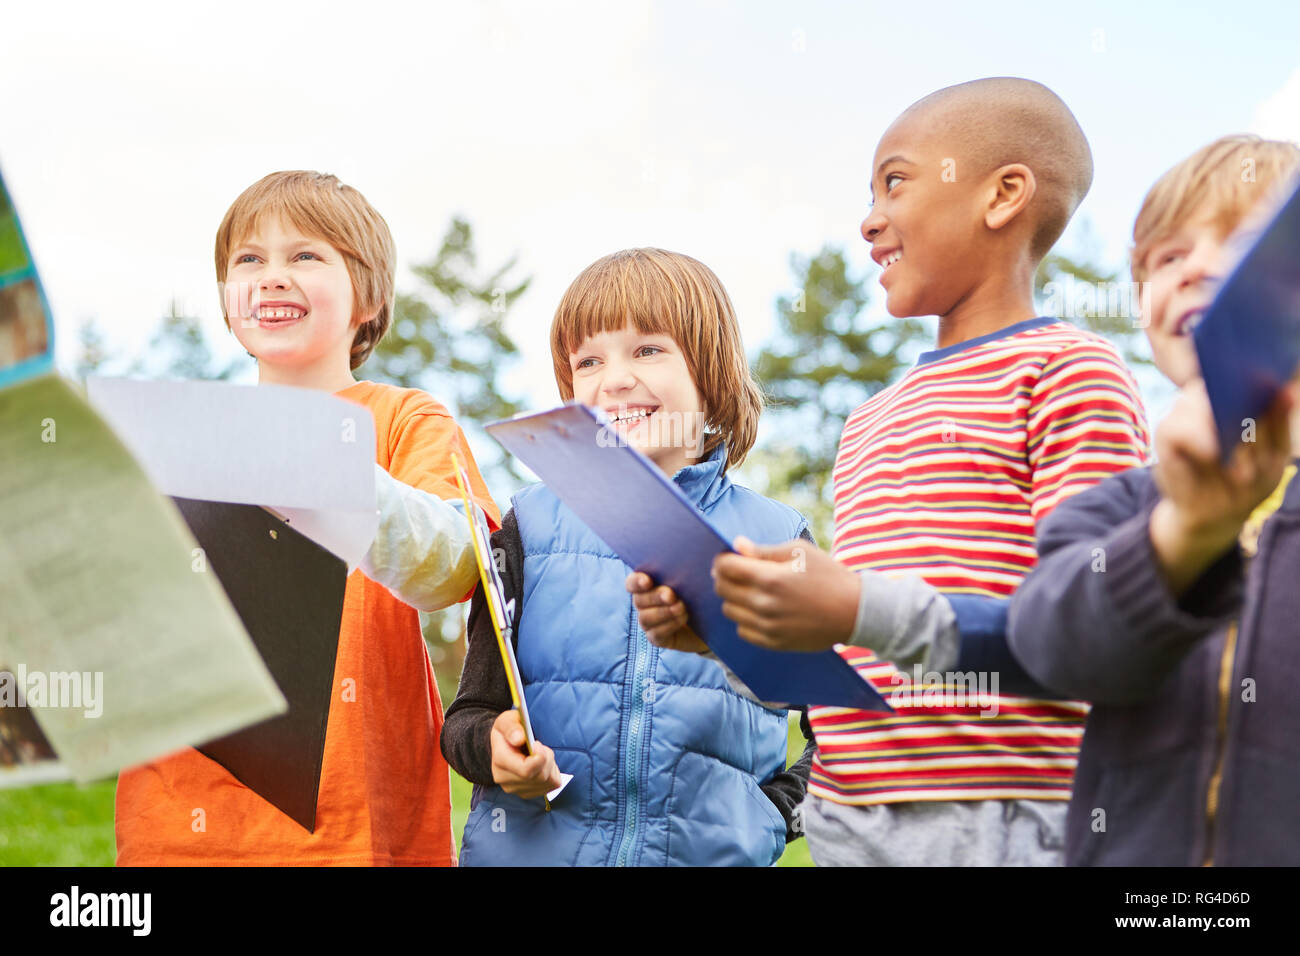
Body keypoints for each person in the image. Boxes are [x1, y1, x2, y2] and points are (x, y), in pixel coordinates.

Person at [635, 78, 1150, 865]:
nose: (870, 218)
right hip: (852, 816)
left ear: (1004, 195)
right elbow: (857, 657)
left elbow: (1095, 621)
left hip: (1005, 819)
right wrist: (726, 638)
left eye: (896, 182)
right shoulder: (870, 420)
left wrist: (853, 602)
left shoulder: (1070, 370)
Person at [115, 170, 498, 866]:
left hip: (353, 821)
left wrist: (315, 462)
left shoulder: (405, 421)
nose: (271, 276)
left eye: (305, 256)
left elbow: (461, 564)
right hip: (178, 822)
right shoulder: (178, 437)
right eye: (249, 260)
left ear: (369, 296)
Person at [441, 248, 815, 866]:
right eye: (588, 360)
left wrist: (775, 814)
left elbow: (842, 731)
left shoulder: (778, 539)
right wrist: (492, 747)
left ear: (711, 368)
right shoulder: (527, 526)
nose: (613, 379)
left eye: (647, 349)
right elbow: (468, 716)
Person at [1006, 135, 1300, 865]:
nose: (1195, 267)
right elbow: (1050, 644)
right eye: (1165, 259)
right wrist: (1181, 536)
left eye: (1239, 242)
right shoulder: (1114, 509)